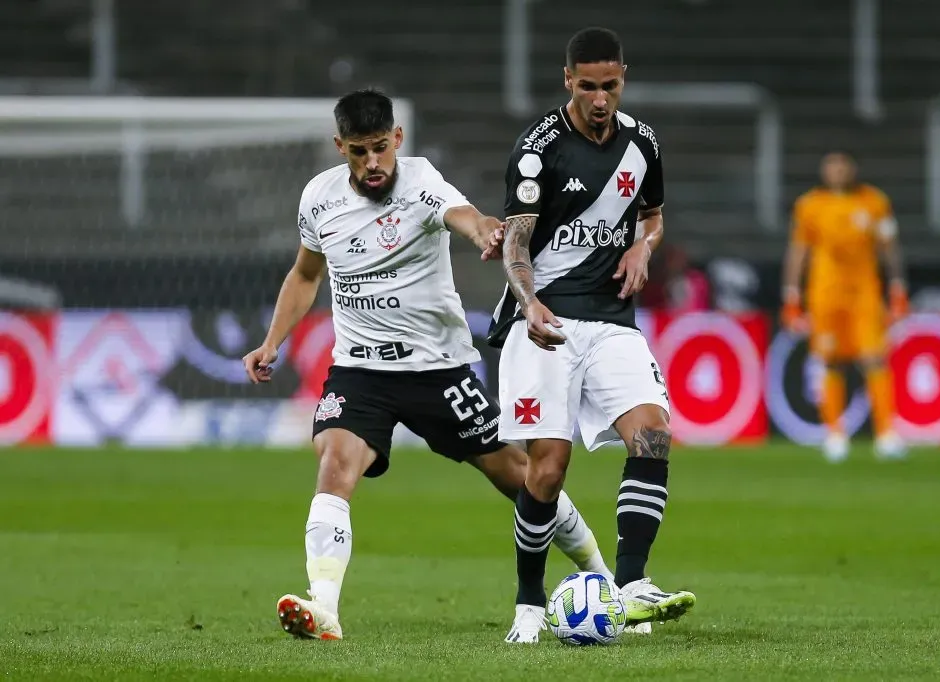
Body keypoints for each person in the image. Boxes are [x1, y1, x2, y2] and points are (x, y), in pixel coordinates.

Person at [242, 89, 613, 641]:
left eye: (380, 149)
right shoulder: (318, 199)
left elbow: (460, 214)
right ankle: (324, 608)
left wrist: (486, 228)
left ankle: (603, 579)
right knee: (335, 465)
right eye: (359, 152)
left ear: (397, 139)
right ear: (340, 147)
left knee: (520, 478)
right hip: (361, 371)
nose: (372, 164)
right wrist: (272, 341)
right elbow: (305, 275)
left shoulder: (419, 181)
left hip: (438, 370)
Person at [488, 27, 696, 644]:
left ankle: (631, 588)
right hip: (546, 323)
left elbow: (654, 216)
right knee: (547, 471)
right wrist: (527, 301)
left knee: (653, 434)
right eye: (588, 87)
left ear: (623, 78)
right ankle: (528, 602)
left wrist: (643, 246)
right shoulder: (537, 151)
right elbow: (517, 242)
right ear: (567, 80)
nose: (600, 99)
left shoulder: (644, 143)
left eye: (610, 86)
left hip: (610, 321)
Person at [781, 151, 909, 462]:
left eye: (843, 165)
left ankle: (886, 433)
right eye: (832, 166)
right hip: (825, 295)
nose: (838, 171)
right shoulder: (810, 205)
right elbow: (799, 251)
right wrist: (791, 296)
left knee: (874, 358)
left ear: (853, 169)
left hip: (864, 294)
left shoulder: (874, 202)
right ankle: (835, 434)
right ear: (824, 171)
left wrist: (898, 288)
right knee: (831, 361)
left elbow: (889, 248)